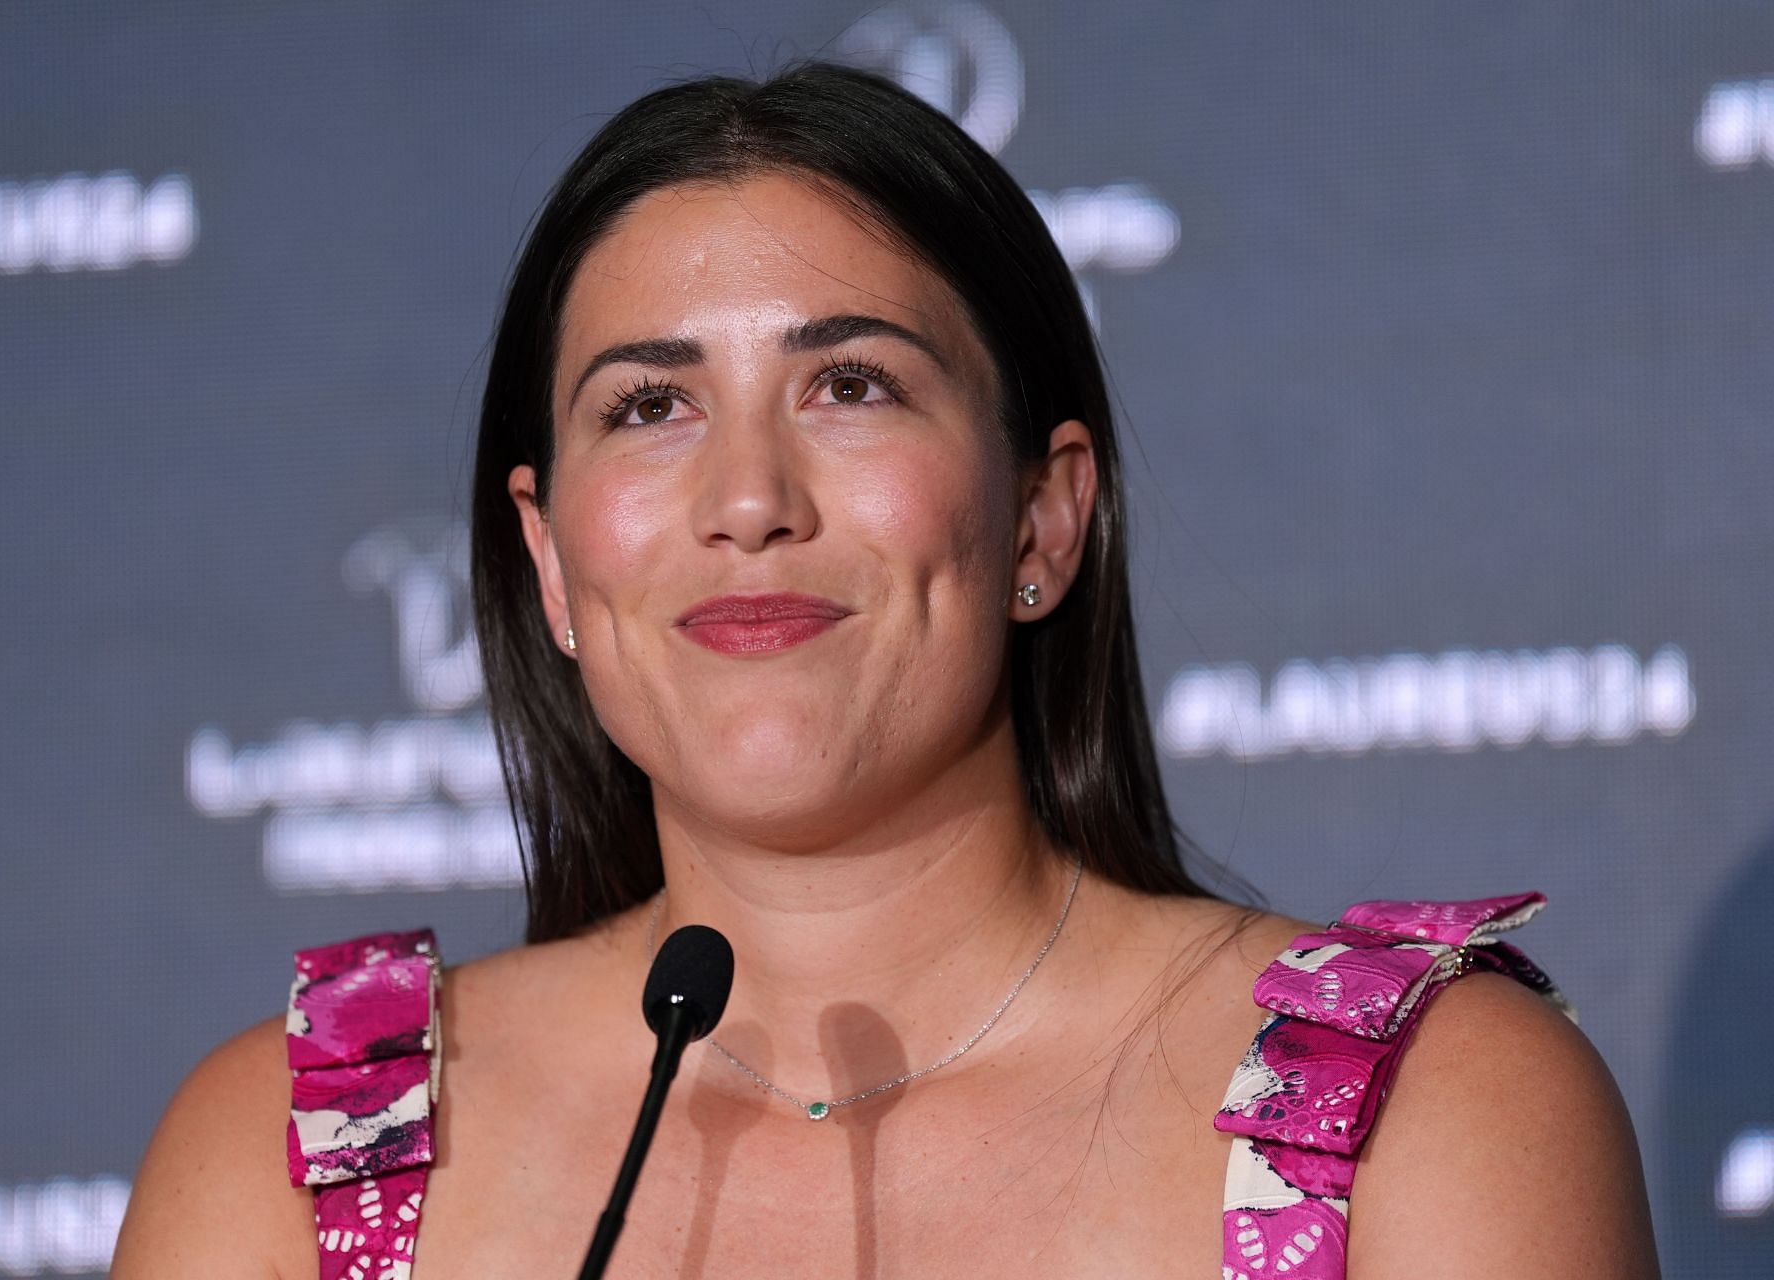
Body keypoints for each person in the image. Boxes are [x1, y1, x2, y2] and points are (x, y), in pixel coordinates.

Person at [111, 61, 1660, 1277]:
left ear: (1044, 515)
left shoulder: (1427, 1117)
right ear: (550, 563)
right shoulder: (303, 1162)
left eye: (849, 385)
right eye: (649, 408)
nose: (748, 500)